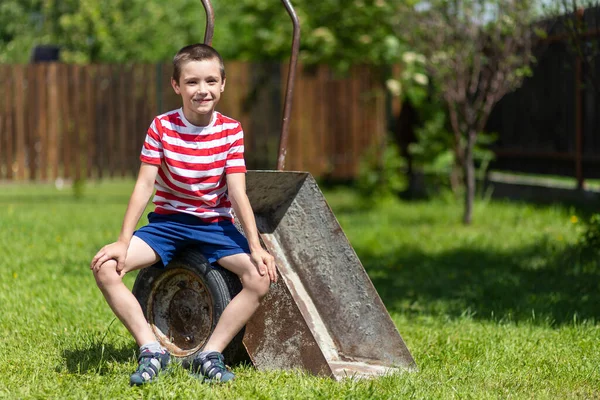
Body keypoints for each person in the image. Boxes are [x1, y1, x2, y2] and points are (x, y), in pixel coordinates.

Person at [90, 43, 276, 386]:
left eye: (210, 81)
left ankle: (210, 354)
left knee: (259, 278)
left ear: (222, 85)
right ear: (177, 86)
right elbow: (145, 186)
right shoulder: (161, 127)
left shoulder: (231, 131)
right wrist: (122, 241)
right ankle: (151, 349)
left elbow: (237, 191)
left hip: (215, 225)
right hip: (168, 225)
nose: (201, 90)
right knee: (105, 268)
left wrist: (256, 246)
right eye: (191, 82)